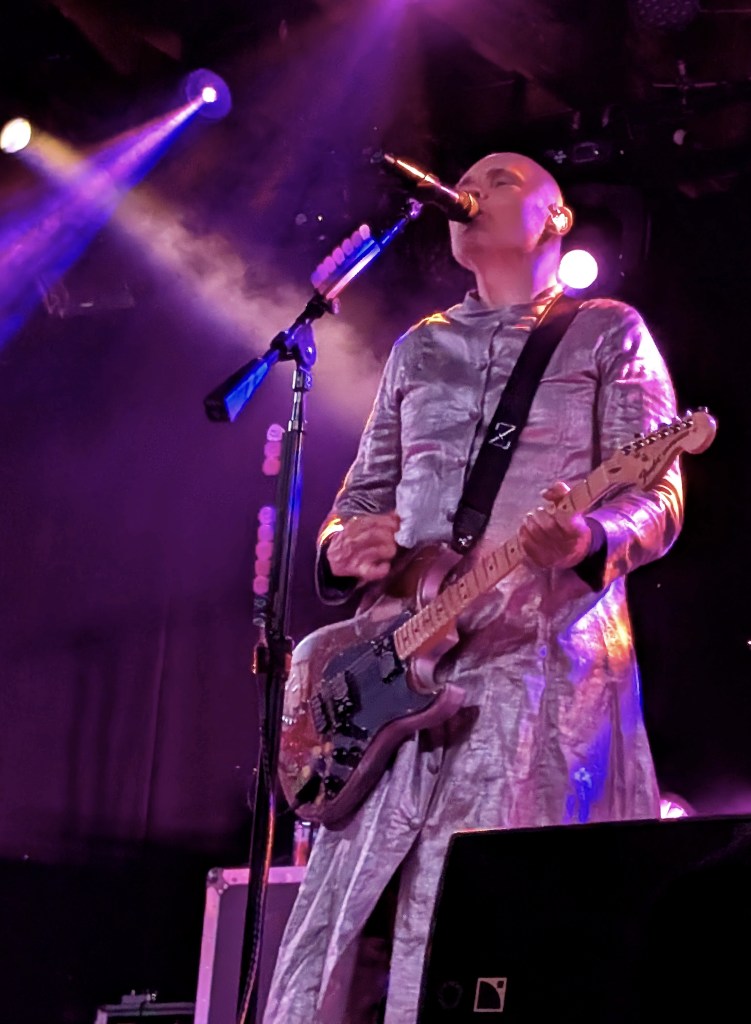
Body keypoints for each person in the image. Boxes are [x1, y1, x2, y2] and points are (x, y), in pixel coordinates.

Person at [262, 152, 683, 1024]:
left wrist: (588, 537)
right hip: (392, 673)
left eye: (501, 178)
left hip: (535, 671)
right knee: (344, 940)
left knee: (502, 929)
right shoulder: (418, 346)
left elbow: (658, 496)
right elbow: (360, 499)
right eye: (470, 177)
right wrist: (343, 547)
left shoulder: (606, 331)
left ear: (555, 219)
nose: (474, 187)